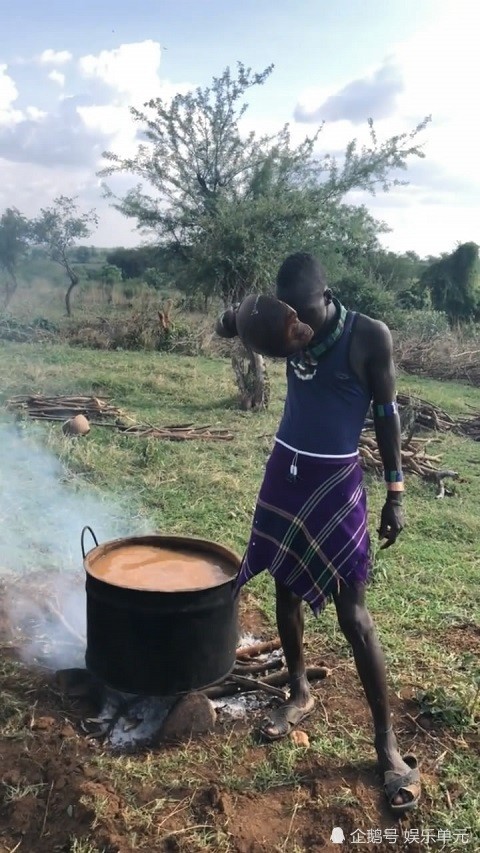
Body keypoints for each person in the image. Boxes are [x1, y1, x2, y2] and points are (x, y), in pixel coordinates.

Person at [224, 252, 421, 815]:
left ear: (325, 294)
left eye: (305, 313)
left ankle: (386, 745)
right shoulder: (284, 326)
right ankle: (298, 691)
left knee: (352, 614)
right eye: (290, 316)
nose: (299, 327)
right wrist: (233, 320)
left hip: (335, 482)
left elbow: (385, 413)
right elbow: (240, 322)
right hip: (286, 468)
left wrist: (397, 492)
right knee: (283, 587)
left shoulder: (367, 337)